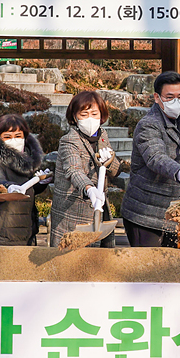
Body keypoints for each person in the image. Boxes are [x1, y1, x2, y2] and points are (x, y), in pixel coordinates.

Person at [121, 71, 180, 247]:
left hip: (172, 211)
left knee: (169, 269)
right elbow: (155, 157)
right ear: (157, 97)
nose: (176, 102)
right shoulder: (149, 124)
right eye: (169, 97)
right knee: (146, 269)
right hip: (145, 213)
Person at [50, 90, 121, 248]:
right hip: (72, 215)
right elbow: (74, 170)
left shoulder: (103, 136)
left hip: (99, 213)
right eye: (84, 114)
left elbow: (115, 170)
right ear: (75, 117)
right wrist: (89, 189)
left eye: (94, 113)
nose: (90, 119)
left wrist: (110, 159)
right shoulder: (69, 140)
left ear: (101, 116)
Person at [0, 114, 47, 246]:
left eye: (18, 136)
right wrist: (8, 187)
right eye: (7, 137)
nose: (14, 140)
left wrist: (39, 184)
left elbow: (26, 188)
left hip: (24, 232)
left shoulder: (27, 159)